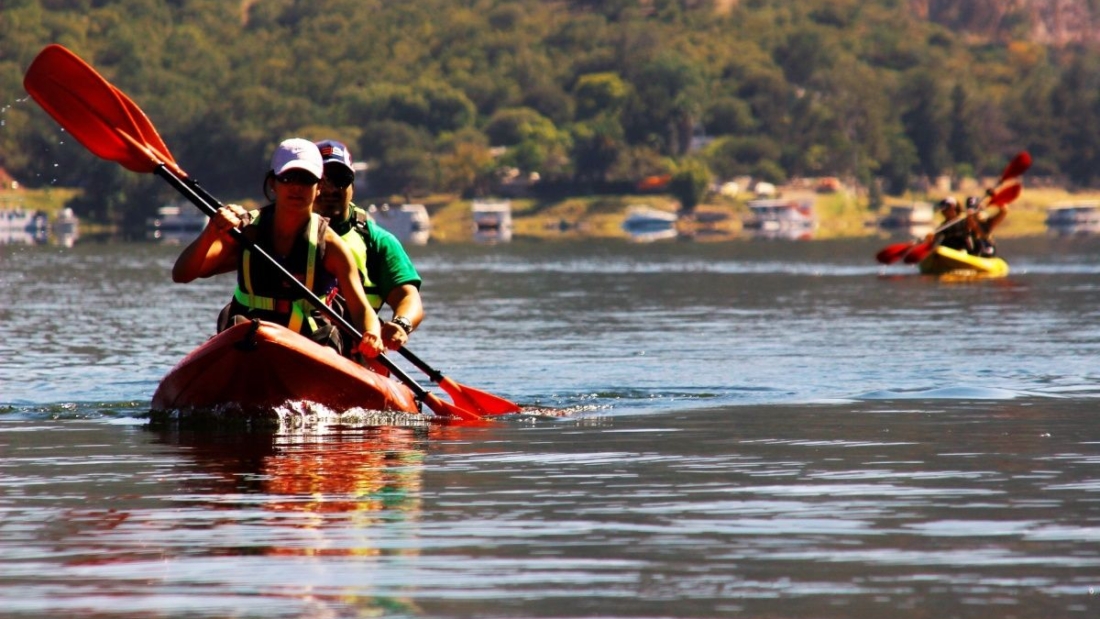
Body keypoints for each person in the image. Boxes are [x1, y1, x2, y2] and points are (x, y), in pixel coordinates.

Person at [171, 138, 384, 359]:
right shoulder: (247, 231)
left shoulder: (330, 245)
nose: (296, 187)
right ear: (273, 183)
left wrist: (372, 333)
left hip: (309, 341)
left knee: (328, 337)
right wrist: (212, 231)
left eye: (306, 179)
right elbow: (183, 274)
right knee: (237, 325)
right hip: (252, 336)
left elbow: (361, 310)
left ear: (319, 186)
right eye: (288, 177)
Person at [313, 139, 424, 353]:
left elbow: (408, 297)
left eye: (340, 179)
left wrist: (401, 324)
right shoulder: (282, 230)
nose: (330, 189)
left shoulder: (378, 241)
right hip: (297, 341)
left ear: (352, 186)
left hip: (356, 351)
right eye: (321, 179)